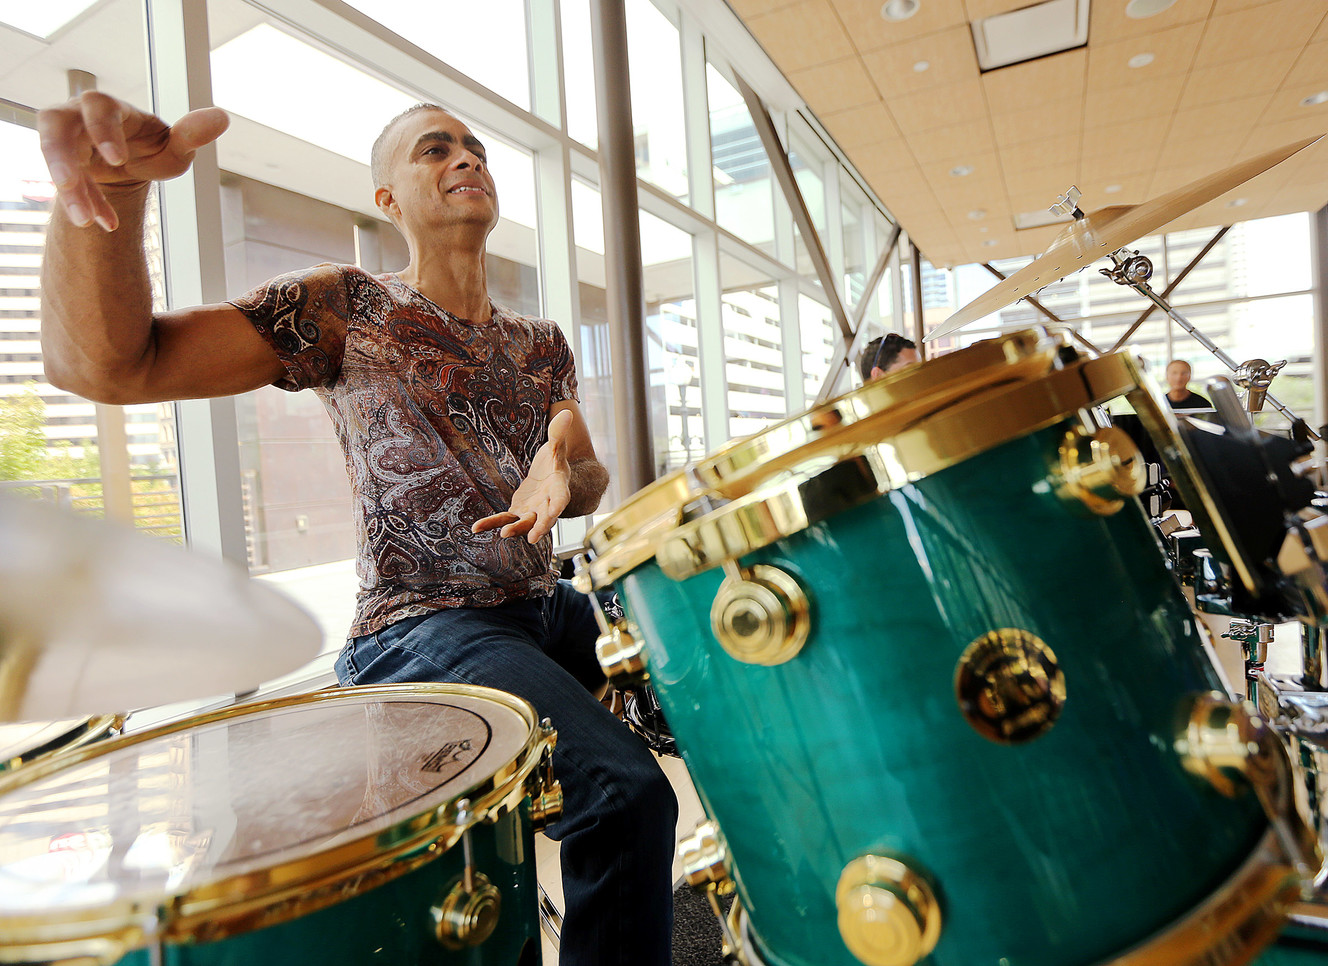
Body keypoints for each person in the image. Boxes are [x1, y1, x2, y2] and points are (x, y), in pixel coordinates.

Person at [36, 91, 676, 966]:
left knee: (707, 679)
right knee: (625, 792)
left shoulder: (542, 342)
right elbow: (113, 366)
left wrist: (565, 454)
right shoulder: (349, 308)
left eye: (476, 148)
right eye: (434, 150)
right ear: (387, 200)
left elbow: (590, 480)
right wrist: (116, 199)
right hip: (421, 628)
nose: (467, 160)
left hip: (540, 605)